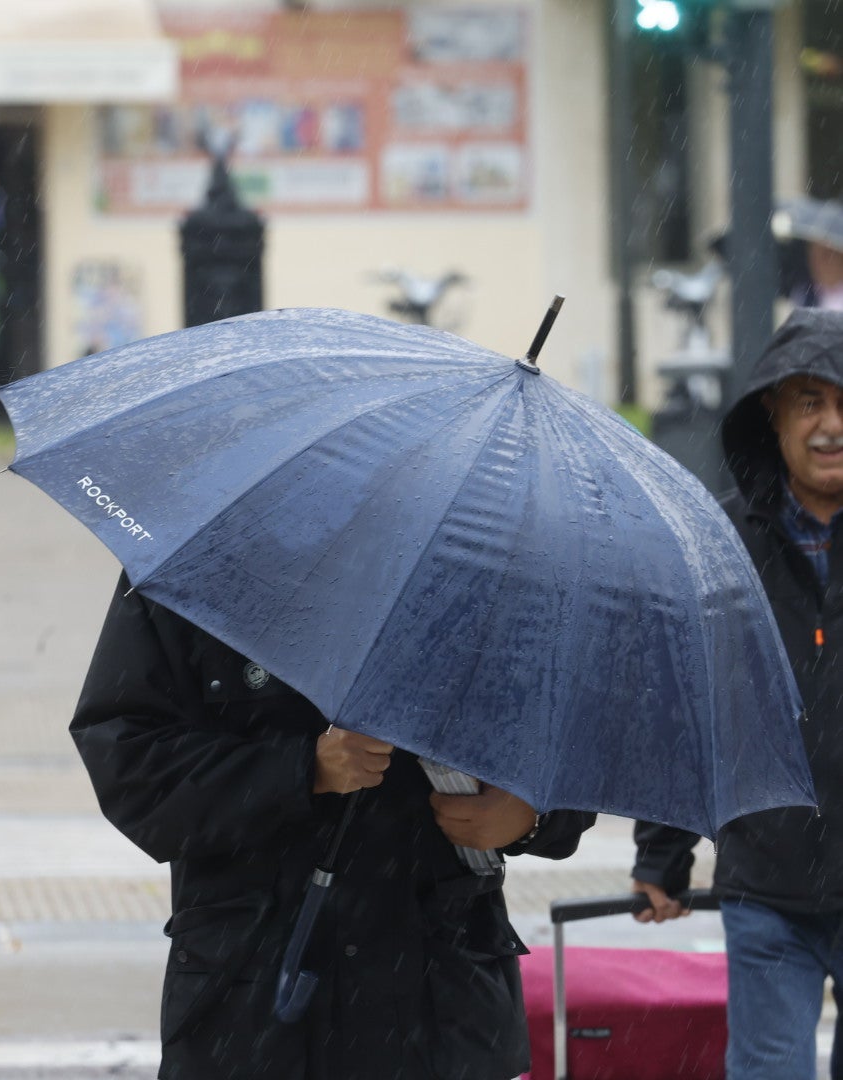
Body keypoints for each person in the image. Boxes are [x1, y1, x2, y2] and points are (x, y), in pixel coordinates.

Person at [72, 577, 597, 1079]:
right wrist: (300, 770)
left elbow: (585, 753)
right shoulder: (203, 565)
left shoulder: (490, 566)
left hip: (437, 1005)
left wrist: (530, 817)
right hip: (252, 1006)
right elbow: (133, 773)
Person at [632, 307, 843, 1080]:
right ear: (773, 412)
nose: (830, 426)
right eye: (810, 402)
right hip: (768, 885)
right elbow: (684, 706)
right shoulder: (721, 548)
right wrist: (662, 854)